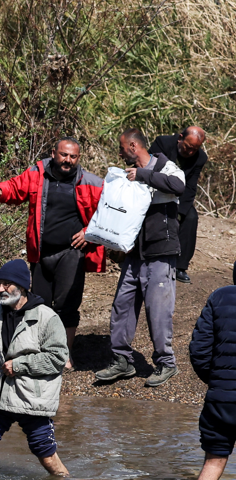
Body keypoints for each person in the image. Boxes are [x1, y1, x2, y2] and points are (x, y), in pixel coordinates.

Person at [0, 137, 105, 358]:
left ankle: (65, 355)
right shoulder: (37, 174)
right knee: (38, 304)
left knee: (67, 306)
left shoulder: (91, 182)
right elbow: (15, 186)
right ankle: (41, 351)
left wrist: (89, 233)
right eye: (64, 155)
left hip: (71, 253)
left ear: (78, 158)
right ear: (54, 153)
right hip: (41, 253)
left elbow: (107, 214)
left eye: (73, 156)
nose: (68, 160)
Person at [96, 128, 187, 388]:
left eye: (122, 148)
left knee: (158, 311)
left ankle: (166, 363)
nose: (120, 152)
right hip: (135, 254)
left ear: (134, 147)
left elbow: (179, 186)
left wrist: (144, 176)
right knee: (122, 306)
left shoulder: (166, 167)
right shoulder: (128, 176)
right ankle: (122, 360)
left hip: (161, 252)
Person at [0, 260, 71, 478]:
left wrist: (20, 365)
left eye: (6, 284)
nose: (1, 289)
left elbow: (59, 358)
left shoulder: (47, 318)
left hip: (31, 398)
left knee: (49, 459)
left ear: (21, 287)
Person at [189, 262, 236, 480]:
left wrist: (217, 381)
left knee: (213, 461)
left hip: (219, 399)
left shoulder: (219, 296)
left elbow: (199, 350)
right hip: (221, 391)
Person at [150, 126, 209, 283]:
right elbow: (150, 169)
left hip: (176, 195)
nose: (190, 152)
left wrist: (180, 212)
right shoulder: (162, 143)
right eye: (188, 147)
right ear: (180, 138)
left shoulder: (200, 158)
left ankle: (180, 266)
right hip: (153, 189)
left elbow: (190, 186)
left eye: (194, 149)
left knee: (191, 217)